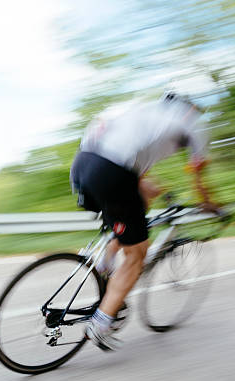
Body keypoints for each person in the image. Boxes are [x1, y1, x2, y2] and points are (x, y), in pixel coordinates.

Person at [70, 91, 220, 351]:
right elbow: (199, 177)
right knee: (137, 255)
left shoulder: (143, 111)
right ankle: (101, 324)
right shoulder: (192, 122)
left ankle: (104, 262)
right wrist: (209, 204)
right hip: (112, 171)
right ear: (192, 107)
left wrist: (151, 187)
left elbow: (136, 167)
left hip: (82, 165)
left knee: (139, 204)